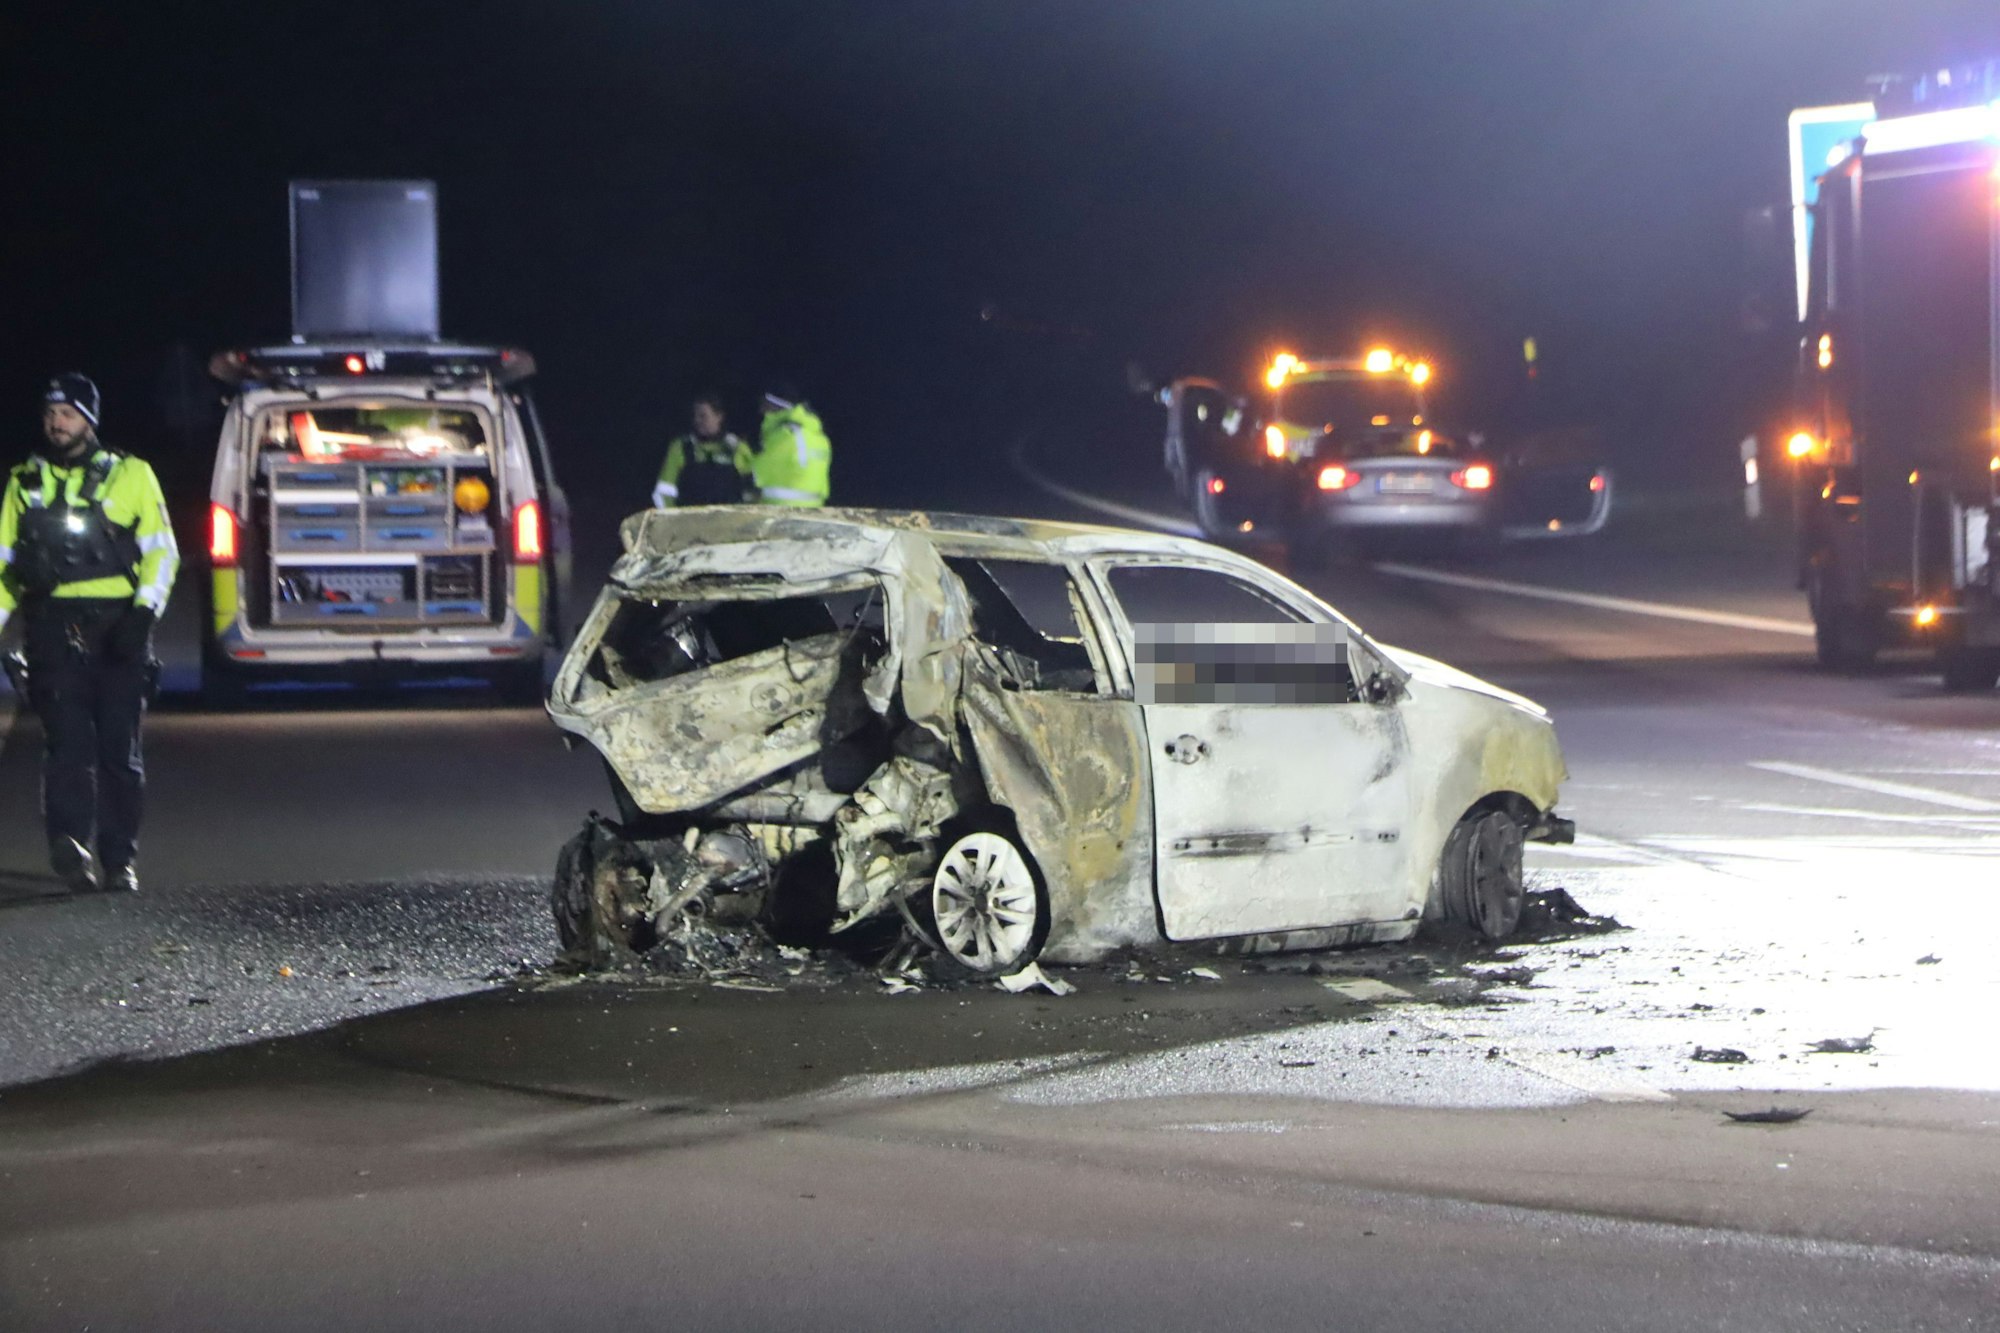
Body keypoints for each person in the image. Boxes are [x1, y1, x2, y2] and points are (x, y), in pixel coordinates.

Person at [0, 375, 179, 892]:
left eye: (67, 413)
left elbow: (162, 552)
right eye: (50, 413)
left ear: (89, 420)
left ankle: (120, 860)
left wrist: (143, 615)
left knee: (120, 753)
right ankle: (71, 849)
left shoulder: (132, 474)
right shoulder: (23, 482)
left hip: (118, 627)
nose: (56, 423)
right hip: (52, 630)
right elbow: (5, 567)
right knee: (66, 749)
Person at [653, 394, 753, 507]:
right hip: (690, 517)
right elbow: (664, 491)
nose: (697, 420)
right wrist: (670, 516)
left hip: (728, 518)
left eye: (703, 416)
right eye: (695, 415)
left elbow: (752, 491)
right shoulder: (681, 447)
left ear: (719, 417)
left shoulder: (736, 448)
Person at [751, 384, 831, 507]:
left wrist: (739, 452)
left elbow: (755, 474)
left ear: (777, 406)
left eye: (765, 405)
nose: (761, 411)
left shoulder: (786, 435)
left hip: (782, 509)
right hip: (815, 509)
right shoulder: (817, 436)